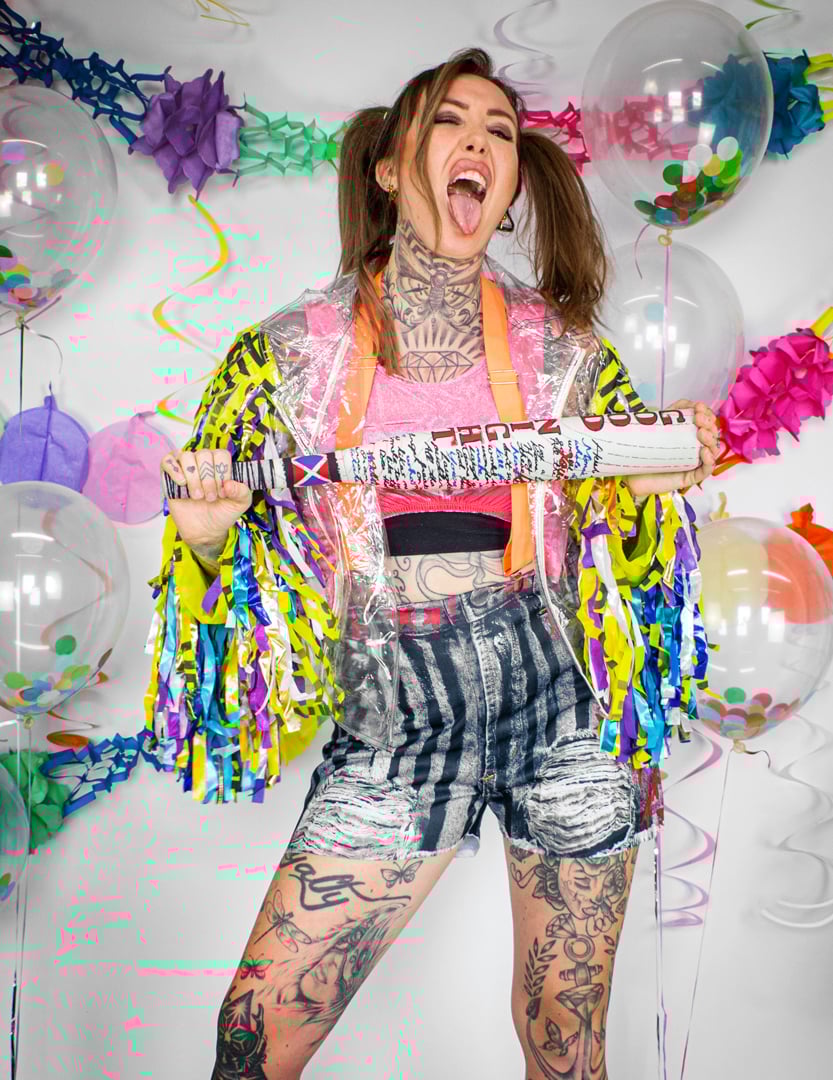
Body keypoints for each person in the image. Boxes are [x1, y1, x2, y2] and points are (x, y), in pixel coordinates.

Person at [150, 47, 718, 1080]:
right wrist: (204, 533)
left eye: (500, 131)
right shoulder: (283, 355)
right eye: (450, 121)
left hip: (561, 701)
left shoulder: (565, 352)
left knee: (565, 1040)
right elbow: (231, 578)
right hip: (394, 710)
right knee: (253, 1039)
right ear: (388, 166)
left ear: (507, 187)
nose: (479, 142)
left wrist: (653, 478)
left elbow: (626, 537)